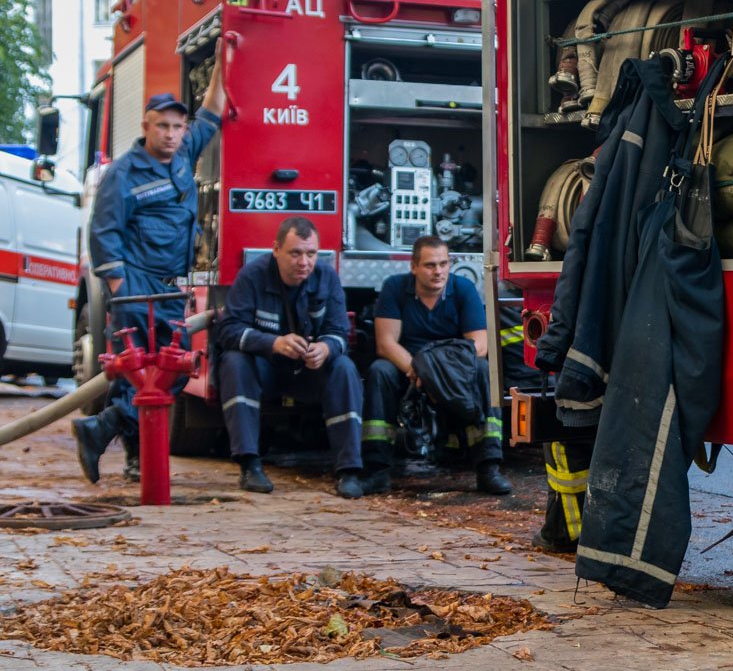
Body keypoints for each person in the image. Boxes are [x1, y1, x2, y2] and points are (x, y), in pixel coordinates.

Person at [72, 64, 225, 484]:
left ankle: (104, 431)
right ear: (146, 127)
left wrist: (223, 56)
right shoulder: (124, 173)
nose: (171, 134)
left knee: (169, 372)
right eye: (163, 126)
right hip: (138, 288)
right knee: (139, 373)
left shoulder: (184, 154)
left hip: (169, 289)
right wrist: (122, 288)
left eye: (177, 127)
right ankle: (134, 456)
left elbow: (212, 110)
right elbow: (103, 232)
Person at [214, 217, 374, 498]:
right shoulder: (252, 276)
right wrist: (274, 343)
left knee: (344, 367)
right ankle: (250, 465)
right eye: (295, 253)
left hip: (309, 372)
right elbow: (228, 331)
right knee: (234, 361)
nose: (304, 262)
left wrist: (325, 349)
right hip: (264, 370)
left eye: (311, 253)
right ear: (276, 250)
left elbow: (339, 332)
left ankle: (348, 471)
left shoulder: (327, 277)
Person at [362, 235, 511, 495]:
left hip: (452, 370)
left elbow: (479, 345)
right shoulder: (395, 287)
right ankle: (377, 471)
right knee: (379, 371)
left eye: (444, 264)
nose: (438, 272)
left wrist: (438, 373)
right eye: (430, 265)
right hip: (409, 369)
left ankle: (488, 469)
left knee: (482, 369)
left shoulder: (463, 289)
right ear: (413, 267)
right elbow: (386, 344)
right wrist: (422, 372)